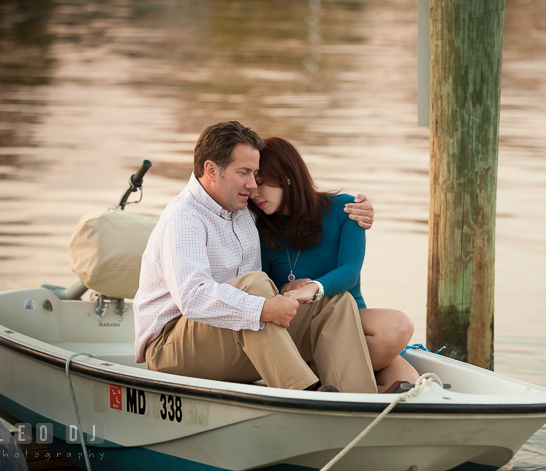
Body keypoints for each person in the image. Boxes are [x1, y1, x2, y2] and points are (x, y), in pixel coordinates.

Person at [134, 121, 378, 393]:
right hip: (173, 351)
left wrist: (359, 211)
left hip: (234, 337)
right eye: (244, 172)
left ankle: (358, 403)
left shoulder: (244, 212)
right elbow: (193, 298)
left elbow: (296, 206)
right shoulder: (184, 218)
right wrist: (262, 308)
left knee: (335, 302)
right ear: (211, 170)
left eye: (256, 174)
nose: (252, 185)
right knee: (254, 286)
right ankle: (304, 396)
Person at [250, 137, 420, 393]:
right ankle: (332, 385)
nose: (254, 193)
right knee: (398, 383)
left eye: (261, 183)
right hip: (300, 331)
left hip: (351, 320)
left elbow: (350, 273)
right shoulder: (257, 228)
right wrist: (288, 287)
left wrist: (315, 288)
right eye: (251, 185)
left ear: (286, 176)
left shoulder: (345, 209)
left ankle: (325, 382)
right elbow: (264, 287)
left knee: (399, 334)